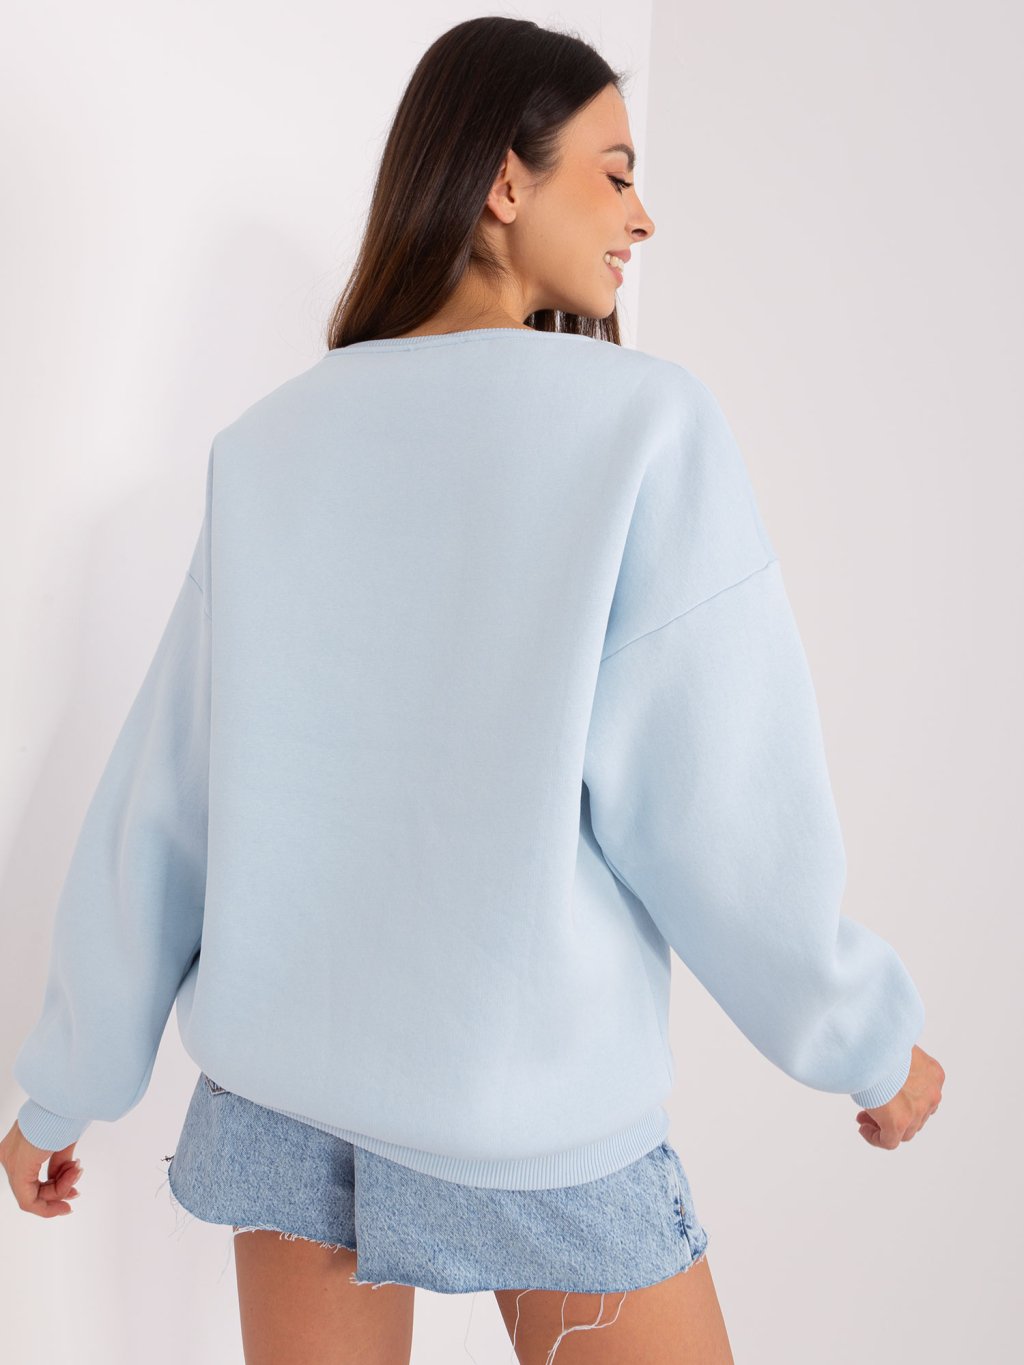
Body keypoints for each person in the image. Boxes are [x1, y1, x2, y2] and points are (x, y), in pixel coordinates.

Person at [1, 16, 944, 1365]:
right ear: (505, 181)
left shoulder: (270, 445)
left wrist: (62, 1090)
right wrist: (863, 1040)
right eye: (615, 173)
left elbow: (165, 804)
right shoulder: (640, 423)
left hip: (281, 1112)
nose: (643, 217)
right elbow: (719, 808)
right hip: (533, 1120)